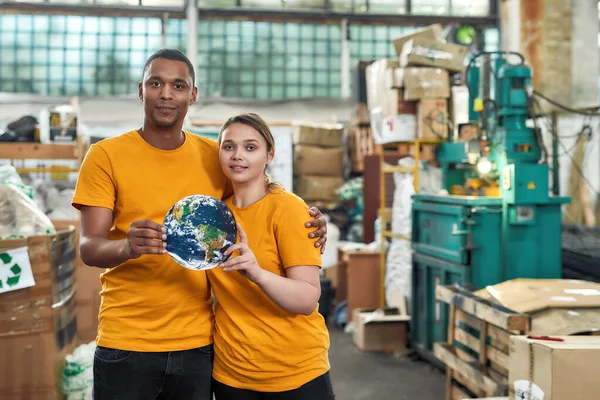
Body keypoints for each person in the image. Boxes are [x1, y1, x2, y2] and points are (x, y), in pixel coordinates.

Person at [71, 49, 328, 400]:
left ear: (192, 94)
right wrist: (126, 247)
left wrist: (306, 217)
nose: (166, 93)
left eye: (178, 85)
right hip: (128, 340)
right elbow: (88, 247)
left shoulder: (213, 155)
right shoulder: (105, 156)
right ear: (141, 89)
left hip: (200, 343)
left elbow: (258, 193)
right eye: (155, 83)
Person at [208, 113, 335, 400]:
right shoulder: (215, 216)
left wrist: (257, 273)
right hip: (232, 374)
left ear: (270, 155)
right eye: (229, 147)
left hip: (295, 373)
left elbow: (306, 299)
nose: (238, 155)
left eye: (250, 147)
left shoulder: (288, 209)